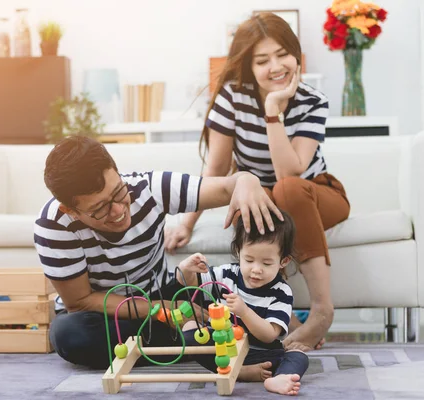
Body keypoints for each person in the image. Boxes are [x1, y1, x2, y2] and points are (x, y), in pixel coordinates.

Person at [165, 12, 350, 352]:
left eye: (283, 54)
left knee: (286, 189)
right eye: (262, 60)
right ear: (248, 66)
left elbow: (290, 173)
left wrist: (272, 111)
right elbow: (217, 167)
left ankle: (322, 310)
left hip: (316, 193)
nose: (276, 67)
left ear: (296, 54)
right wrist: (186, 223)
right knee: (253, 199)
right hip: (266, 198)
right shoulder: (232, 97)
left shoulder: (313, 101)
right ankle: (288, 321)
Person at [34, 135, 282, 369]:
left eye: (119, 192)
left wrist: (247, 180)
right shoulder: (53, 225)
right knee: (69, 334)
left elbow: (228, 187)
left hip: (164, 293)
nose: (119, 210)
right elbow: (80, 301)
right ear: (71, 211)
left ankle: (183, 341)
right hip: (108, 314)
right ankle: (198, 342)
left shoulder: (148, 188)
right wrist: (161, 310)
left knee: (225, 292)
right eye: (100, 209)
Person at [176, 210, 308, 395]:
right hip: (223, 349)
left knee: (298, 356)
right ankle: (239, 372)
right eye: (249, 259)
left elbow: (269, 335)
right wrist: (185, 269)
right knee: (190, 330)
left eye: (267, 263)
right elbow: (190, 283)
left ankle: (277, 378)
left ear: (283, 261)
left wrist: (244, 312)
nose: (256, 269)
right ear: (239, 252)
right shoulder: (227, 274)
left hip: (261, 355)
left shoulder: (281, 292)